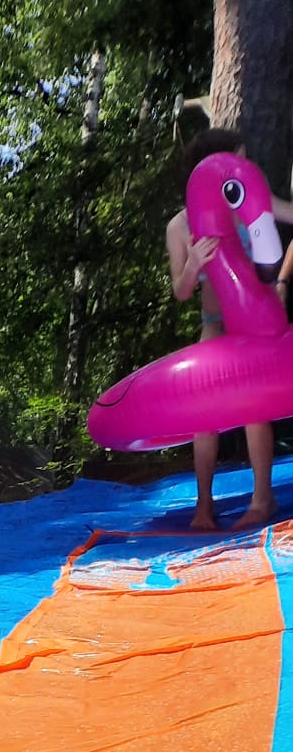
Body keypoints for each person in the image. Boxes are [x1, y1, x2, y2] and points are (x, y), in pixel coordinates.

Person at [167, 126, 293, 530]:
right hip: (215, 324)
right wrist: (192, 265)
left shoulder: (250, 200)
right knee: (205, 414)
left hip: (255, 321)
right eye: (238, 159)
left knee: (255, 409)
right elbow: (181, 291)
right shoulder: (181, 225)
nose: (246, 166)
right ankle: (203, 506)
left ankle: (262, 498)